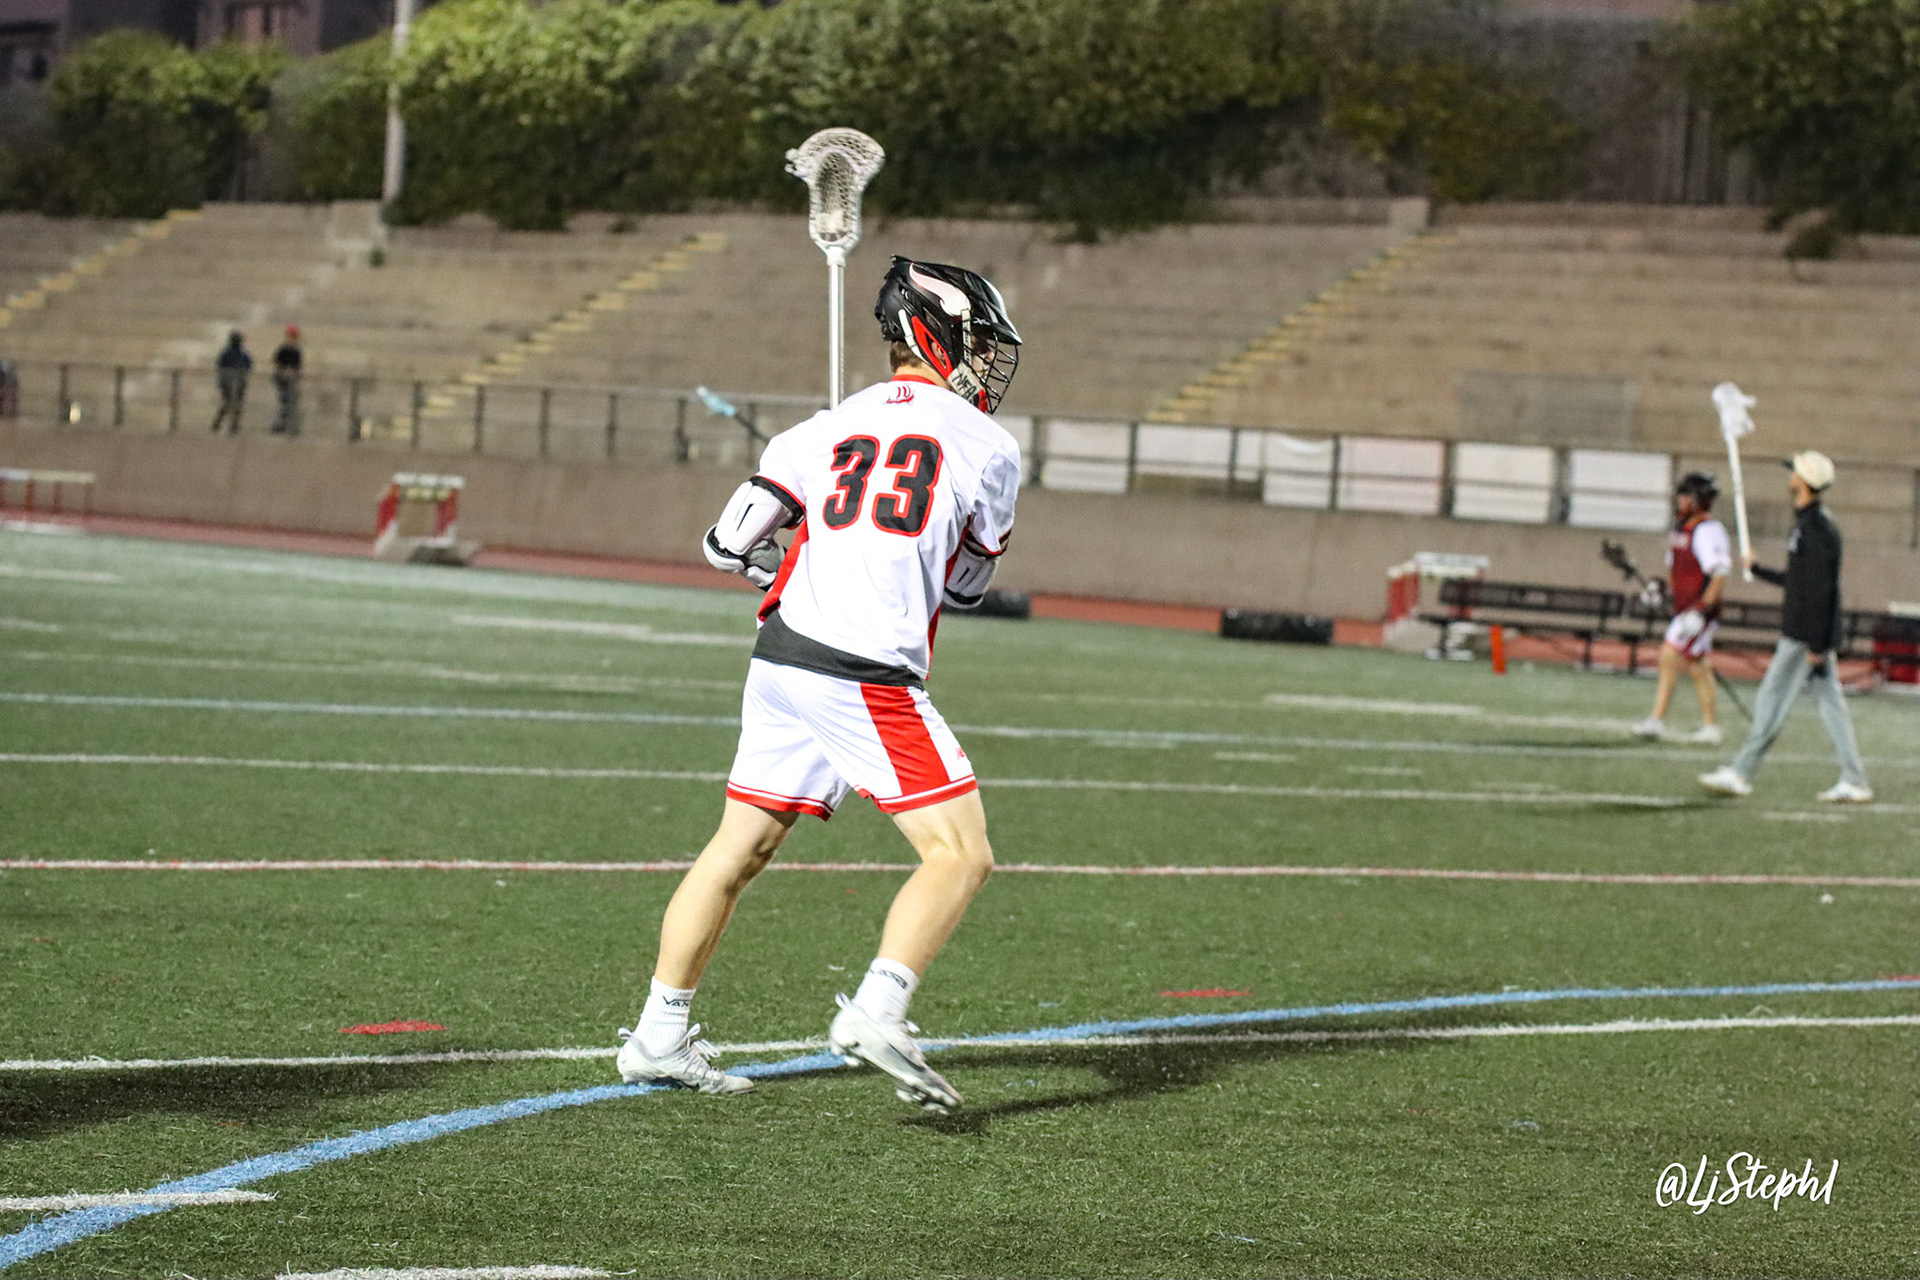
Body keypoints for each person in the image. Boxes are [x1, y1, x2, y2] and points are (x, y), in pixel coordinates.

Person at [614, 257, 1024, 1113]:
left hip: (782, 657)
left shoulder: (817, 431)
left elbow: (726, 546)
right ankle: (879, 1010)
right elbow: (964, 588)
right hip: (862, 669)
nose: (986, 362)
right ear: (936, 335)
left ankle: (657, 1034)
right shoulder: (988, 446)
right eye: (978, 342)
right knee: (961, 854)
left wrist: (796, 548)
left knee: (737, 849)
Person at [1699, 451, 1871, 802]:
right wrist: (1758, 570)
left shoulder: (1816, 529)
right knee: (1831, 708)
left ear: (1804, 482)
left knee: (1772, 701)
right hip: (1809, 632)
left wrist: (1817, 645)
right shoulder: (1809, 525)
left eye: (1794, 472)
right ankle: (1855, 779)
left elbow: (1821, 591)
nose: (1790, 476)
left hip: (1804, 635)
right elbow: (1799, 581)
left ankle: (1741, 772)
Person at [1631, 472, 1731, 744]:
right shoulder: (1681, 529)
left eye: (1686, 496)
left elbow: (1718, 573)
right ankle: (1710, 726)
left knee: (1668, 655)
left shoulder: (1707, 530)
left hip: (1699, 612)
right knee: (1697, 666)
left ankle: (1657, 720)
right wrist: (1661, 589)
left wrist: (1702, 610)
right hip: (1685, 610)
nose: (1681, 500)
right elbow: (1675, 570)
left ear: (1698, 500)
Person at [210, 331, 251, 435]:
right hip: (228, 383)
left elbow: (248, 367)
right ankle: (224, 423)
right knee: (229, 403)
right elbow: (221, 369)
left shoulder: (241, 354)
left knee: (234, 404)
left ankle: (233, 424)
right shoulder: (227, 354)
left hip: (238, 383)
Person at [270, 325, 302, 435]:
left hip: (291, 380)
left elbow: (297, 366)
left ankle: (288, 425)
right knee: (283, 402)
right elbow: (277, 363)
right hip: (282, 380)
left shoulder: (296, 350)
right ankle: (279, 425)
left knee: (291, 403)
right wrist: (283, 372)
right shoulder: (283, 349)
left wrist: (292, 373)